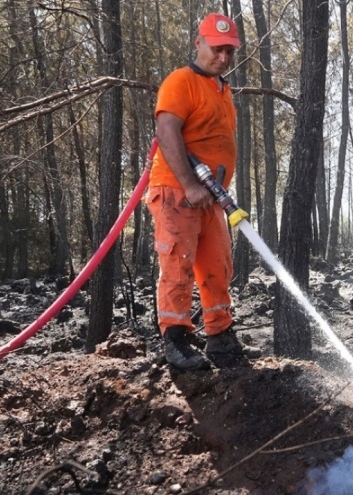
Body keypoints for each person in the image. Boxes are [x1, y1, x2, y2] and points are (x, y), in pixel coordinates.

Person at [146, 13, 258, 371]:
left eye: (230, 51)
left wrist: (208, 189)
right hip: (179, 192)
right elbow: (167, 131)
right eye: (217, 48)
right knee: (178, 265)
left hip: (210, 197)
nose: (223, 57)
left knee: (217, 266)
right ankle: (176, 340)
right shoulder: (181, 81)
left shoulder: (222, 90)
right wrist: (191, 185)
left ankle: (221, 337)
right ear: (199, 43)